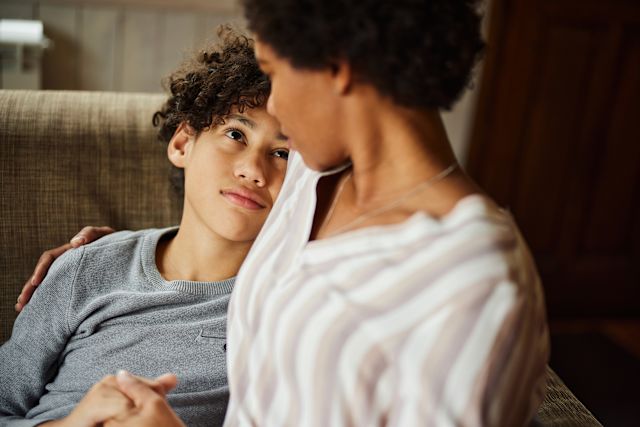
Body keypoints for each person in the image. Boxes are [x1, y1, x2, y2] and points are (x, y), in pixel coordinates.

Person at [17, 0, 551, 425]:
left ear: (336, 67)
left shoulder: (469, 290)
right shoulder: (313, 182)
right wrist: (108, 259)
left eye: (274, 72)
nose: (276, 109)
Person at [1, 28, 289, 427]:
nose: (253, 170)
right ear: (183, 144)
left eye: (282, 153)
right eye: (235, 134)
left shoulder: (289, 305)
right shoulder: (85, 268)